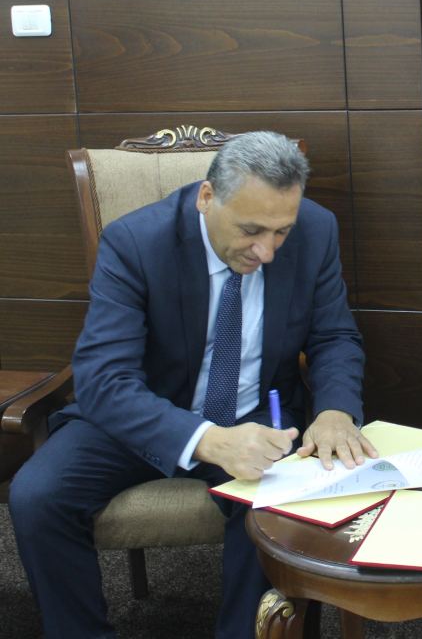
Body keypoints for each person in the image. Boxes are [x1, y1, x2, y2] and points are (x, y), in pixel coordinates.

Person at [10, 131, 377, 639]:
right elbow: (103, 379)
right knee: (37, 496)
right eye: (251, 230)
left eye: (281, 232)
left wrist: (335, 411)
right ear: (207, 198)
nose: (267, 251)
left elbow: (334, 335)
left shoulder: (317, 229)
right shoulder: (136, 242)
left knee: (275, 508)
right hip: (146, 413)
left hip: (257, 415)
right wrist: (207, 439)